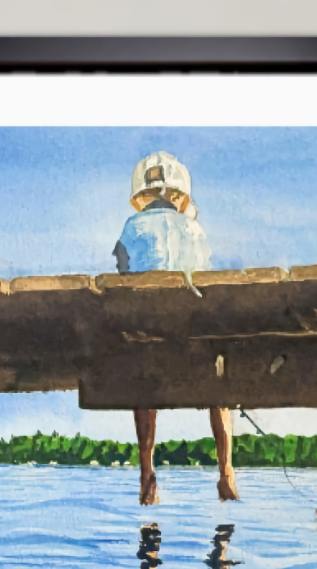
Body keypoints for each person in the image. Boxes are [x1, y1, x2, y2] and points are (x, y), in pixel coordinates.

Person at [113, 152, 239, 506]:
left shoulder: (130, 227)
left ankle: (147, 472)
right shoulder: (194, 229)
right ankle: (226, 474)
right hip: (197, 355)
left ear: (141, 197)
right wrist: (191, 221)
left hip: (149, 353)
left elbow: (123, 272)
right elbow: (202, 277)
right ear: (181, 197)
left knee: (144, 378)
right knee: (220, 380)